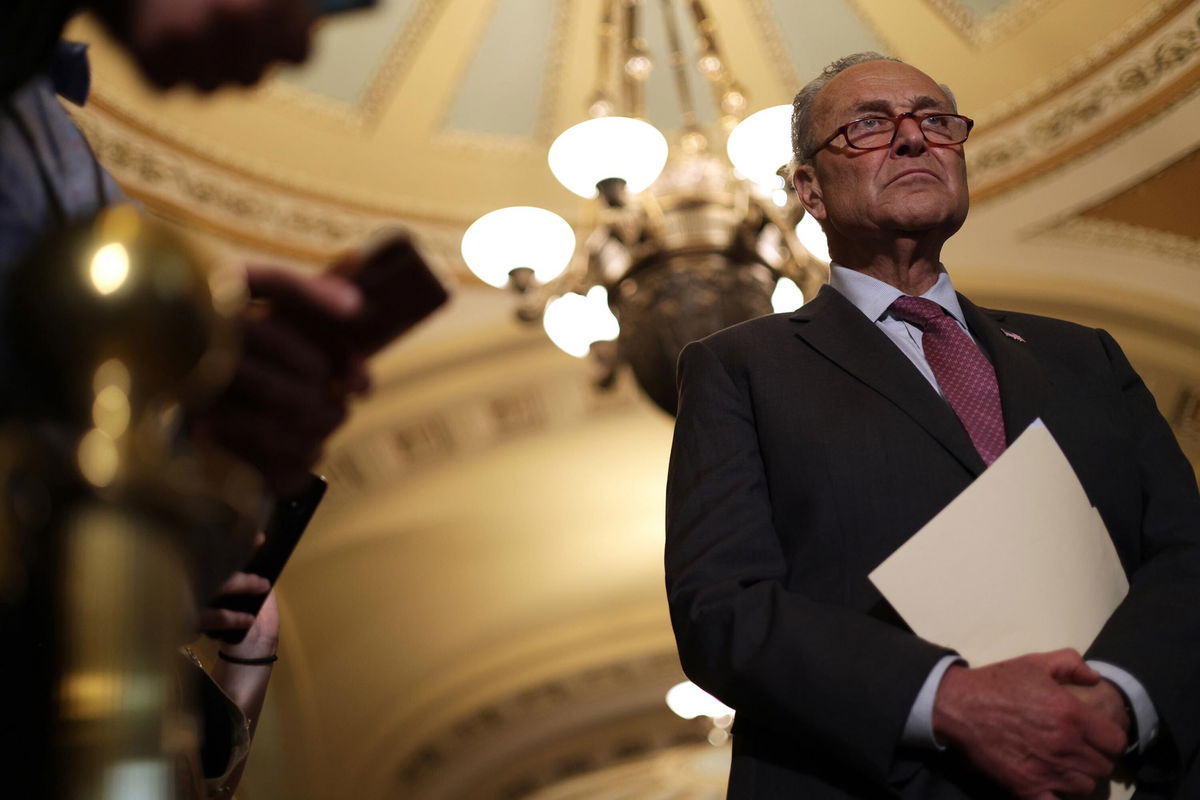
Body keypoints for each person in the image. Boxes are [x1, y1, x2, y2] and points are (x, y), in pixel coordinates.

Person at [665, 52, 1200, 799]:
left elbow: (1187, 555)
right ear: (809, 190)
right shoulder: (741, 368)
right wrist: (953, 701)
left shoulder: (1084, 356)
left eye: (935, 121)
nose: (913, 139)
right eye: (869, 126)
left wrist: (1113, 699)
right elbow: (723, 609)